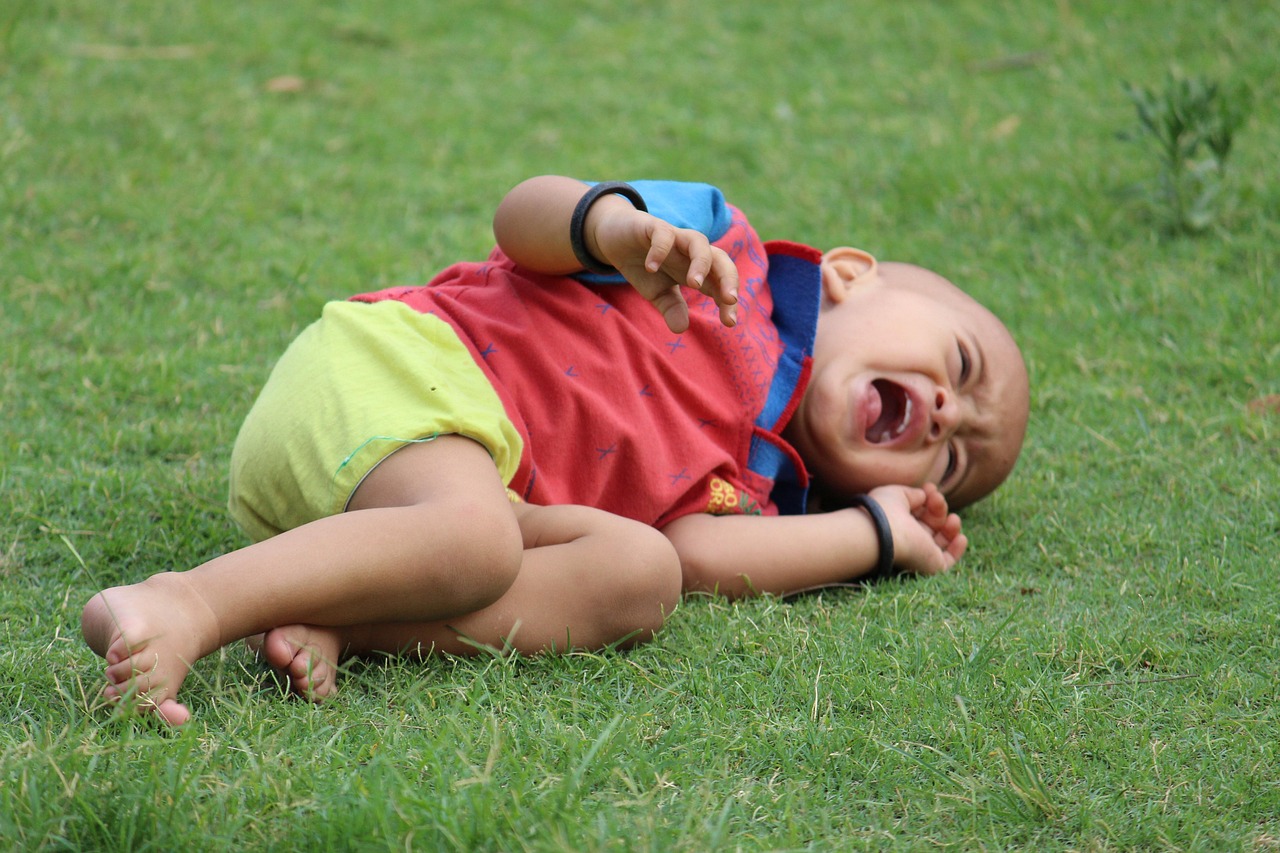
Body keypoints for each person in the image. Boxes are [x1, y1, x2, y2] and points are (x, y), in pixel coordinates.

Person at [81, 176, 1030, 725]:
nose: (948, 417)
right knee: (478, 539)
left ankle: (340, 614)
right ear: (851, 275)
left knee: (639, 575)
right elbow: (520, 216)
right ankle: (188, 601)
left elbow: (699, 556)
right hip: (403, 372)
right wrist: (610, 226)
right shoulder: (716, 244)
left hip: (447, 499)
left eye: (952, 464)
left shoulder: (762, 485)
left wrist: (874, 534)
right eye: (961, 365)